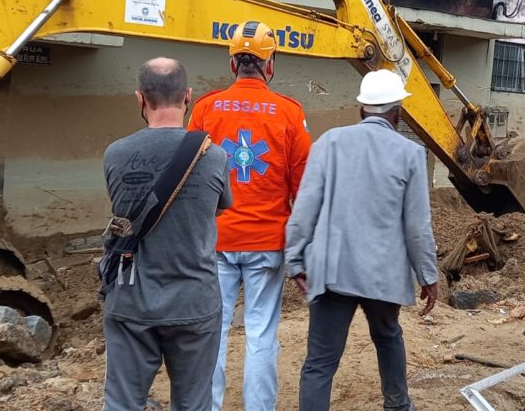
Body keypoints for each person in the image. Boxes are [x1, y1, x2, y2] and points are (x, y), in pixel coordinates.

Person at [285, 69, 439, 411]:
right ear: (397, 113)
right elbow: (417, 226)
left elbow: (305, 207)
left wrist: (294, 259)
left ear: (361, 109)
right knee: (388, 337)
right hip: (383, 274)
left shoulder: (329, 143)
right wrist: (428, 276)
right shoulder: (410, 154)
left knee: (320, 362)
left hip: (333, 271)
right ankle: (397, 405)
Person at [186, 21, 311, 411]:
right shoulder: (289, 113)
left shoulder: (205, 109)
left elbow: (189, 177)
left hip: (216, 241)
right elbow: (303, 187)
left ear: (232, 64)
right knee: (261, 334)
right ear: (269, 64)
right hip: (267, 243)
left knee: (214, 331)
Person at [101, 57, 232, 411]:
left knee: (122, 403)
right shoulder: (215, 157)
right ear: (188, 96)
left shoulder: (115, 154)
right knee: (193, 403)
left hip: (131, 298)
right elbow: (218, 209)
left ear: (140, 98)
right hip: (195, 301)